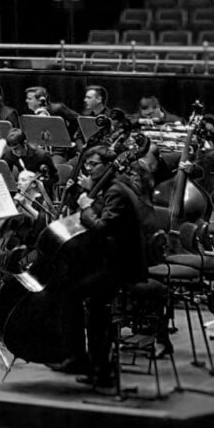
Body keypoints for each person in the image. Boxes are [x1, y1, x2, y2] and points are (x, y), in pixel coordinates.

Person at [61, 144, 150, 390]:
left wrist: (86, 206)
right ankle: (90, 362)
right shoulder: (111, 187)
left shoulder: (116, 192)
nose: (88, 169)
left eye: (93, 164)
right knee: (84, 299)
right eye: (86, 164)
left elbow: (102, 227)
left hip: (121, 266)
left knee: (73, 294)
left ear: (108, 165)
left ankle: (87, 362)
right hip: (109, 261)